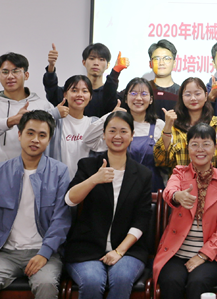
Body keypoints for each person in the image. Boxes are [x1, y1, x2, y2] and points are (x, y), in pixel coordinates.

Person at [0, 110, 72, 299]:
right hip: (6, 252)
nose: (35, 140)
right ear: (19, 134)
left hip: (45, 251)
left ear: (49, 139)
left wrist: (44, 253)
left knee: (46, 285)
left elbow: (62, 219)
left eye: (42, 135)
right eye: (30, 133)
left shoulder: (59, 172)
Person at [63, 111, 152, 299]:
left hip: (128, 251)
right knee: (93, 281)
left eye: (123, 131)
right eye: (112, 131)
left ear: (132, 135)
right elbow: (70, 200)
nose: (117, 136)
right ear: (103, 135)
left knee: (121, 278)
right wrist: (94, 179)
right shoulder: (88, 166)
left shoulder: (143, 174)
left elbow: (142, 219)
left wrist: (119, 251)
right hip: (87, 249)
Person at [153, 123, 217, 299]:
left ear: (215, 148)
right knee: (171, 281)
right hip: (176, 253)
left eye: (206, 144)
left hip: (211, 255)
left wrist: (203, 255)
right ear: (188, 147)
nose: (200, 149)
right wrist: (177, 196)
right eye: (195, 144)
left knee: (197, 282)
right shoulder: (179, 173)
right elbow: (169, 192)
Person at [0, 52, 67, 168]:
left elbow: (54, 142)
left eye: (16, 71)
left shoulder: (43, 105)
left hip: (35, 170)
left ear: (26, 75)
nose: (10, 76)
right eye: (5, 72)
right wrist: (11, 121)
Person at [84, 77, 166, 191]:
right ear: (126, 99)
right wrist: (110, 116)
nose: (138, 98)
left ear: (151, 99)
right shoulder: (117, 124)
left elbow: (167, 159)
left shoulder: (159, 125)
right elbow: (89, 140)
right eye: (133, 93)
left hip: (151, 186)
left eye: (143, 94)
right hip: (119, 185)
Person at [154, 77, 217, 174]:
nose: (193, 98)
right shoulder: (174, 127)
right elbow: (161, 161)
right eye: (188, 94)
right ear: (181, 97)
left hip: (212, 182)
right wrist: (167, 127)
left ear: (206, 96)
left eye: (197, 94)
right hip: (180, 182)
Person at [43, 43, 128, 117]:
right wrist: (51, 66)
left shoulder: (112, 96)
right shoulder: (70, 92)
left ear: (107, 65)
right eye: (92, 58)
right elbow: (52, 91)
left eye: (101, 59)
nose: (96, 63)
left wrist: (115, 72)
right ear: (84, 62)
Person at [48, 75, 99, 179]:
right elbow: (32, 121)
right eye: (74, 90)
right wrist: (54, 113)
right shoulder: (55, 122)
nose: (79, 95)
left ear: (90, 96)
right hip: (58, 183)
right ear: (65, 95)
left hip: (87, 184)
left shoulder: (94, 123)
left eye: (85, 91)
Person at [148, 39, 180, 121]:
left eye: (166, 58)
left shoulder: (182, 93)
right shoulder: (142, 90)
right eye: (156, 59)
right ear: (150, 64)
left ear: (174, 63)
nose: (161, 63)